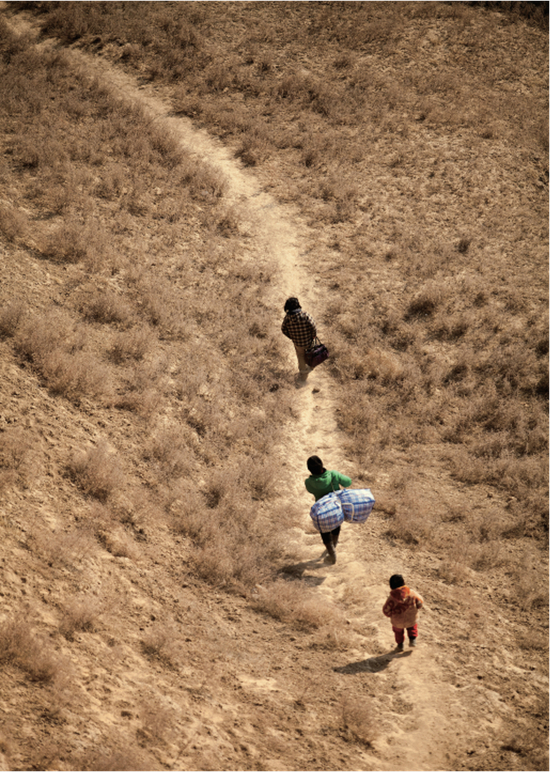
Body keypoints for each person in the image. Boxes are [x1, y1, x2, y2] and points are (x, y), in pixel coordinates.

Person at [305, 455, 352, 564]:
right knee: (336, 524)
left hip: (321, 511)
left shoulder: (308, 482)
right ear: (322, 465)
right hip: (336, 508)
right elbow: (348, 482)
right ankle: (334, 543)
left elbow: (310, 490)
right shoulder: (333, 475)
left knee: (324, 530)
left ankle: (331, 552)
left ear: (309, 469)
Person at [382, 574, 424, 651]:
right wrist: (417, 608)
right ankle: (412, 639)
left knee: (398, 632)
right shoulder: (412, 593)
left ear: (391, 586)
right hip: (411, 618)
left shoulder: (391, 598)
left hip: (397, 622)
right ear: (404, 583)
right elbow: (420, 602)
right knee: (412, 627)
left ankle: (400, 645)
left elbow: (386, 611)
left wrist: (391, 615)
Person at [281, 297, 317, 381]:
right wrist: (313, 335)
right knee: (311, 353)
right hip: (309, 340)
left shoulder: (287, 319)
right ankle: (311, 366)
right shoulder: (305, 315)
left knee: (300, 356)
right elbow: (313, 326)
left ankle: (303, 373)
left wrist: (291, 336)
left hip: (297, 342)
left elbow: (283, 329)